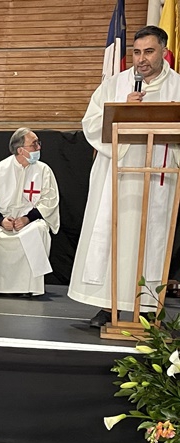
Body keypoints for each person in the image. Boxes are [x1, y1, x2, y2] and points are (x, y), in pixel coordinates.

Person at [69, 26, 180, 327]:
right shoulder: (116, 85)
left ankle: (148, 307)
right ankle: (109, 306)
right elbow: (92, 122)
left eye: (149, 51)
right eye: (137, 52)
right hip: (116, 178)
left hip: (158, 180)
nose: (141, 59)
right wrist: (122, 112)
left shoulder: (177, 87)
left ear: (164, 52)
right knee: (115, 238)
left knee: (152, 241)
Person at [0, 128, 60, 295]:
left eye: (38, 143)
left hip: (29, 222)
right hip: (2, 222)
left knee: (39, 230)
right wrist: (1, 220)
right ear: (20, 150)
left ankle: (30, 288)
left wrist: (27, 219)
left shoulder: (44, 170)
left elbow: (49, 201)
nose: (39, 147)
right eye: (34, 144)